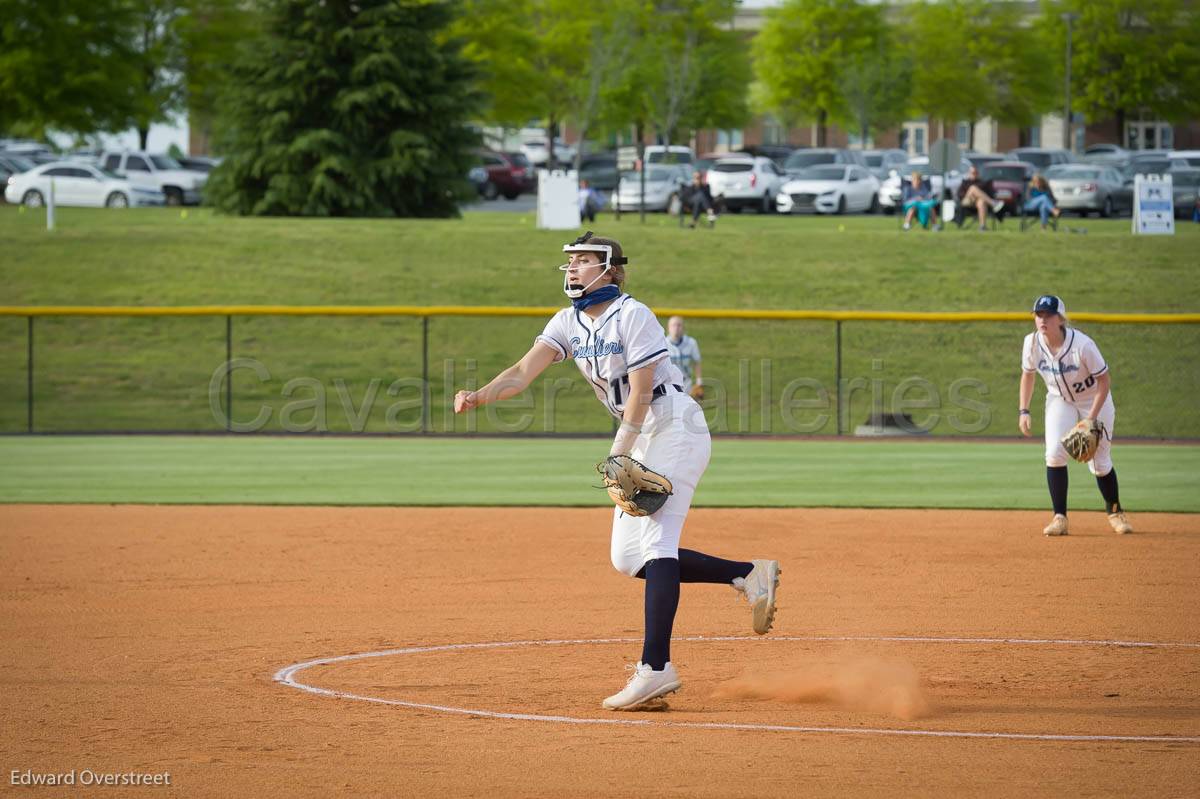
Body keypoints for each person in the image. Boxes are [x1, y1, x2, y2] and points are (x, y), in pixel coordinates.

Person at [453, 231, 781, 711]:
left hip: (675, 427)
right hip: (642, 435)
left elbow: (645, 392)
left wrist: (619, 450)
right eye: (569, 261)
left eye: (583, 260)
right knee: (629, 559)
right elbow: (522, 373)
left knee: (658, 540)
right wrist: (479, 395)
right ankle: (749, 574)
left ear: (609, 269)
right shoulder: (567, 322)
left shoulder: (634, 314)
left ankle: (656, 669)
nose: (572, 269)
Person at [1018, 294, 1132, 537]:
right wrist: (1024, 410)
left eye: (1048, 315)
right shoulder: (1032, 343)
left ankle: (1115, 511)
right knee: (1054, 455)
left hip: (1093, 399)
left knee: (1100, 463)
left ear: (1060, 318)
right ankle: (1060, 518)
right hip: (1060, 399)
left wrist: (1090, 418)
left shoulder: (1082, 345)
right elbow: (1027, 375)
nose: (1042, 320)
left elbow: (1104, 382)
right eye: (1038, 315)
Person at [956, 165, 1006, 229]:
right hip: (967, 202)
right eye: (972, 173)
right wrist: (971, 196)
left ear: (978, 173)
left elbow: (990, 193)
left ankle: (982, 226)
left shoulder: (983, 182)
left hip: (978, 203)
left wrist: (977, 197)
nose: (974, 174)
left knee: (981, 202)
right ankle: (993, 204)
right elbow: (959, 194)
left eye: (976, 173)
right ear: (969, 173)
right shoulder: (965, 182)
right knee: (973, 188)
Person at [665, 316, 703, 399]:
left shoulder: (691, 342)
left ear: (683, 328)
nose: (676, 328)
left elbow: (696, 362)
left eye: (679, 325)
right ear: (668, 328)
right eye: (673, 325)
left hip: (686, 383)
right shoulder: (663, 343)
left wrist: (699, 382)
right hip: (668, 384)